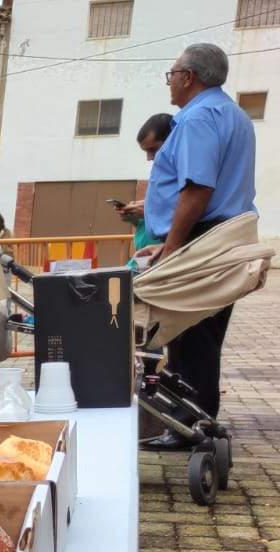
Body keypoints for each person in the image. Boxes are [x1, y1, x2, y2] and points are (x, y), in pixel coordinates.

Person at [141, 42, 256, 446]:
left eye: (171, 75)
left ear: (188, 77)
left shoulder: (198, 118)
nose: (169, 83)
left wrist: (172, 248)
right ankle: (198, 420)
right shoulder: (233, 114)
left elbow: (198, 188)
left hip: (203, 236)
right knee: (204, 335)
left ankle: (189, 428)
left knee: (188, 334)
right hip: (223, 234)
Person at [120, 114, 175, 258]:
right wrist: (135, 217)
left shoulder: (187, 174)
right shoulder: (159, 173)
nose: (149, 158)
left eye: (153, 149)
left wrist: (149, 211)